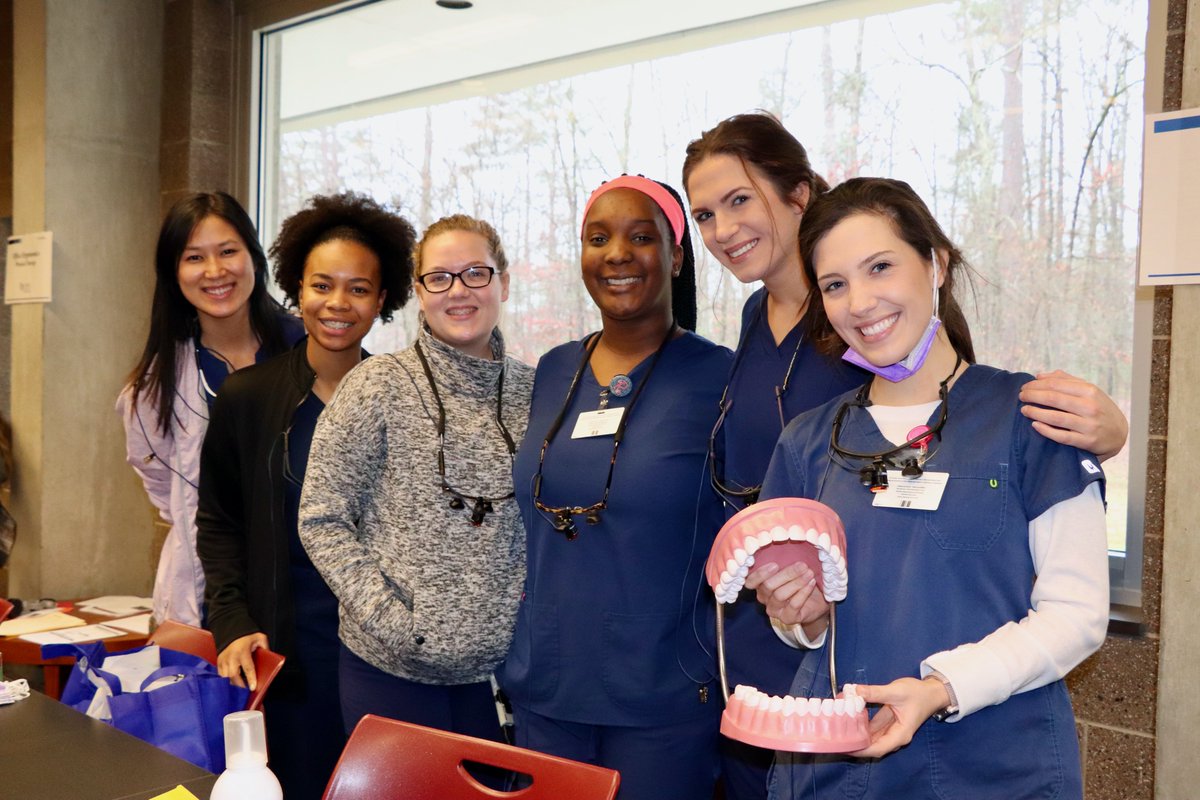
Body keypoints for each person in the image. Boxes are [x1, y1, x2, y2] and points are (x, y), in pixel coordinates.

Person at [680, 112, 1128, 799]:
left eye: (880, 267)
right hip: (836, 774)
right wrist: (801, 616)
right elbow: (802, 621)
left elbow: (1075, 614)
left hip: (996, 768)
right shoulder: (808, 442)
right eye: (834, 285)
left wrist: (941, 687)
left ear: (935, 264)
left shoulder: (1031, 419)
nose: (860, 302)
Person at [499, 175, 731, 800]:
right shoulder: (552, 370)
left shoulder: (721, 378)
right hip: (546, 688)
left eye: (641, 237)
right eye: (598, 238)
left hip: (662, 696)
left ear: (677, 256)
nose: (617, 254)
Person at [196, 192, 415, 800]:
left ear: (383, 300)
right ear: (296, 287)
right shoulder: (248, 397)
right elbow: (218, 523)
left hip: (381, 649)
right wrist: (233, 622)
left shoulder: (404, 400)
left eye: (359, 289)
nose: (338, 304)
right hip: (288, 651)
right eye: (323, 285)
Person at [298, 214, 534, 742]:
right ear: (420, 291)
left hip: (499, 680)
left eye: (477, 273)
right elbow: (322, 518)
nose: (459, 291)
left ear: (504, 283)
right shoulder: (377, 385)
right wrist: (396, 625)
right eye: (440, 277)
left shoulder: (538, 393)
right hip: (389, 672)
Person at [118, 192, 303, 626]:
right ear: (173, 272)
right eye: (194, 257)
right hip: (210, 597)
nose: (215, 271)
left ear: (254, 257)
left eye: (227, 251)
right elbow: (167, 491)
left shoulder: (309, 350)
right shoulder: (152, 389)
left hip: (308, 590)